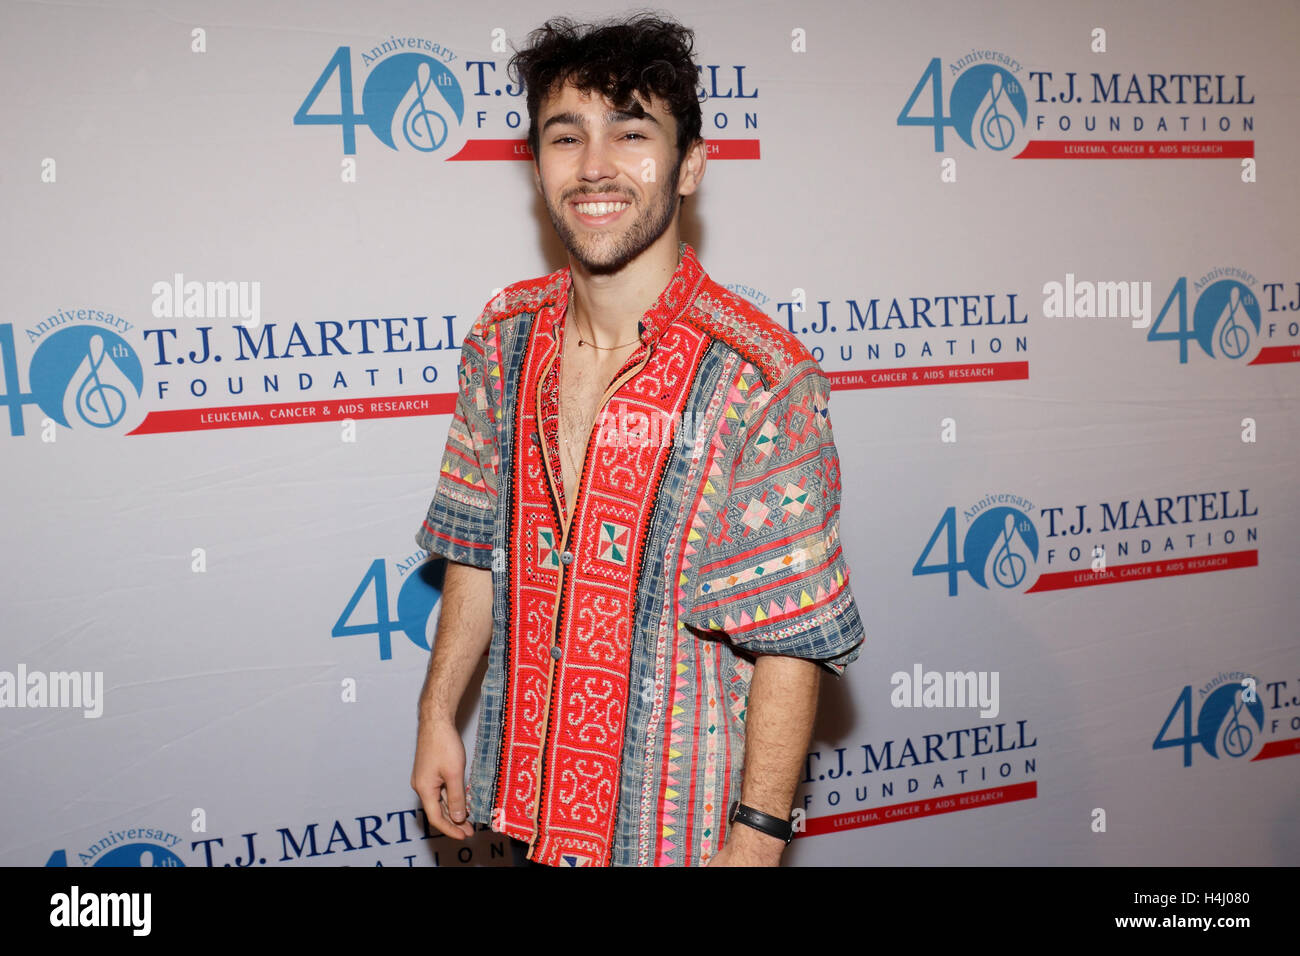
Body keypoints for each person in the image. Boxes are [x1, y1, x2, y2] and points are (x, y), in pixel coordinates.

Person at [410, 12, 865, 867]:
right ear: (536, 164)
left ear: (689, 164)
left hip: (679, 841)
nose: (594, 167)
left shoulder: (759, 378)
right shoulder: (500, 340)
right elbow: (475, 545)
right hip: (516, 818)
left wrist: (759, 838)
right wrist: (438, 713)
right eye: (565, 135)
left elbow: (790, 639)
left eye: (631, 133)